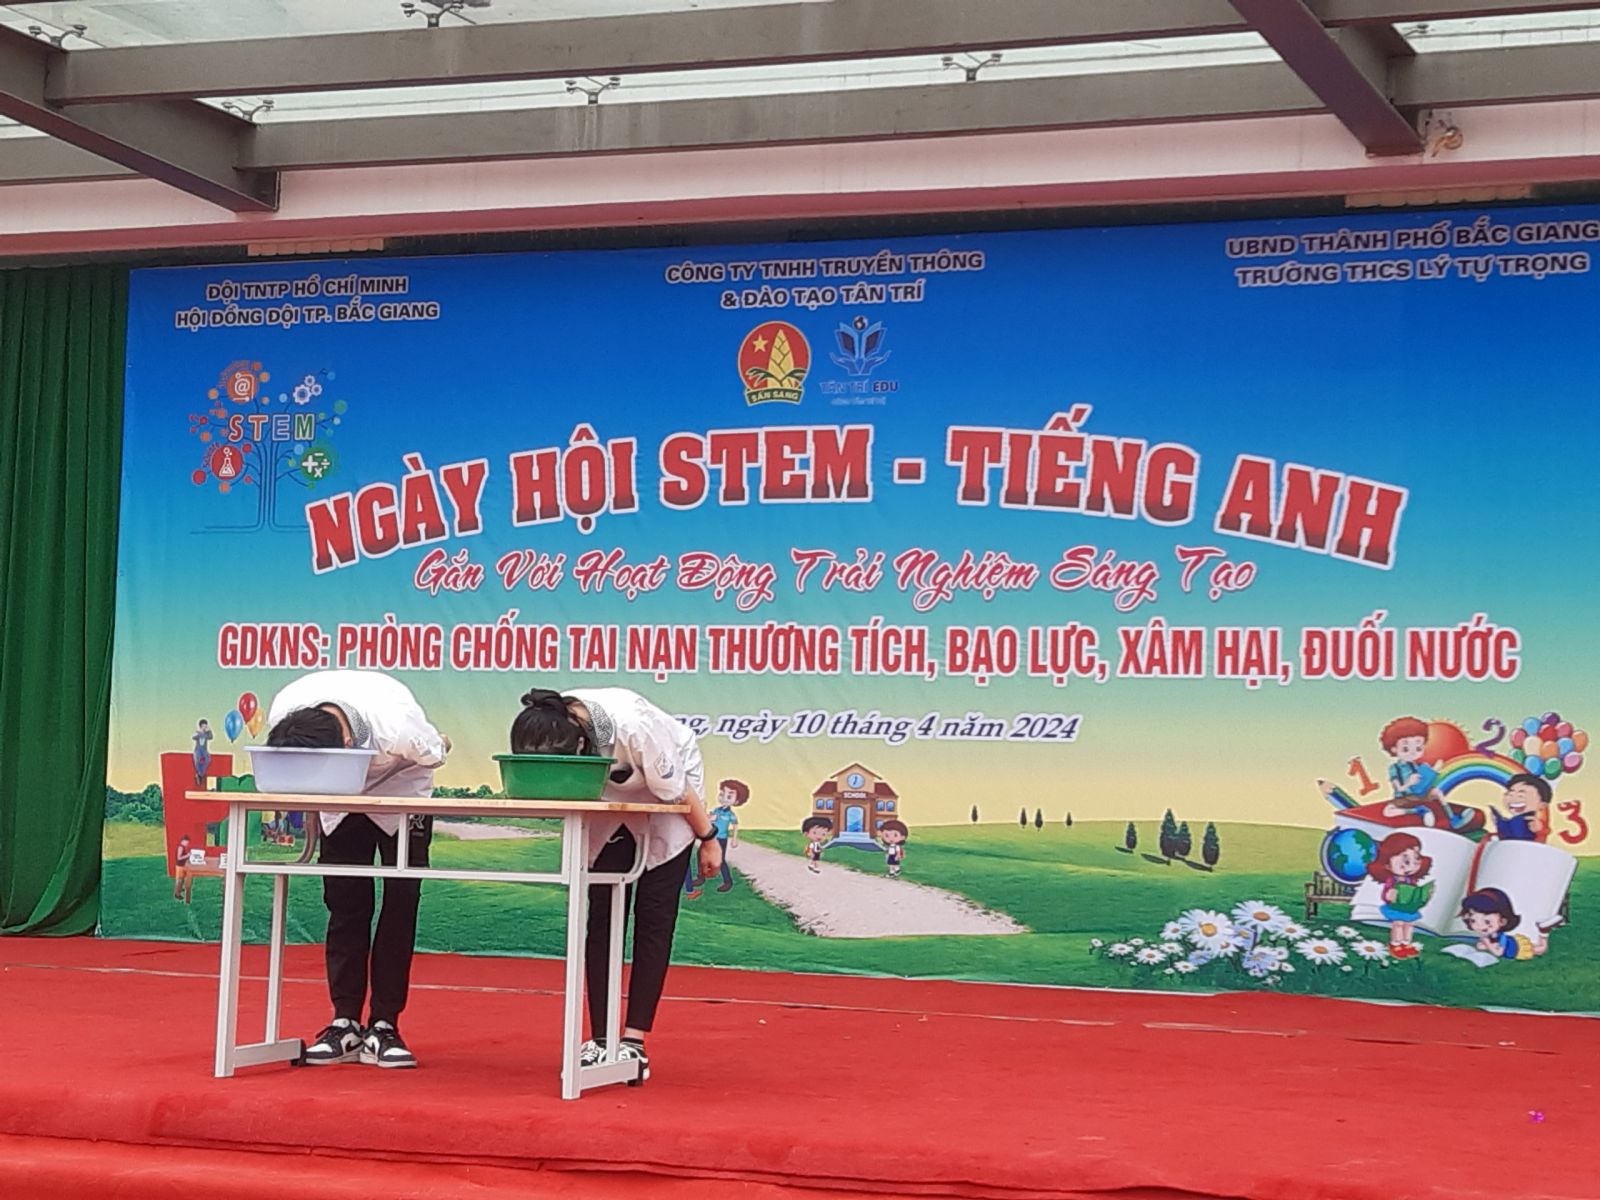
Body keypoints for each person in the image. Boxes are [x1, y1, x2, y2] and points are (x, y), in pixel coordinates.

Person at [509, 686, 723, 1082]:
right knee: (603, 917)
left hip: (672, 793)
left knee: (654, 917)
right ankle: (602, 1038)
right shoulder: (552, 717)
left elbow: (677, 792)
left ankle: (634, 1041)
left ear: (578, 740)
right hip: (607, 797)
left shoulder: (637, 728)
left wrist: (708, 839)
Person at [265, 670, 450, 1070]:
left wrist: (434, 746)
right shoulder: (285, 710)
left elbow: (438, 751)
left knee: (400, 902)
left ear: (347, 742)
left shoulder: (398, 725)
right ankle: (344, 1022)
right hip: (335, 795)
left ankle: (385, 1025)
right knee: (345, 902)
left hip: (401, 789)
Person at [1366, 831, 1433, 959]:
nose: (1412, 866)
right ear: (1387, 865)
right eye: (1406, 861)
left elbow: (1415, 892)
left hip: (1409, 907)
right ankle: (1396, 943)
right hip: (1396, 907)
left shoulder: (1411, 880)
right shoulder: (1392, 880)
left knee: (1409, 924)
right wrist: (1390, 895)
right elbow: (1386, 894)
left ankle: (1406, 943)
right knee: (1398, 924)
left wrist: (1425, 894)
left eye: (1416, 859)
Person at [1378, 716, 1454, 828]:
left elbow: (1423, 782)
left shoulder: (1414, 765)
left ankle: (1452, 817)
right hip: (1404, 798)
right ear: (1394, 749)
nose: (1413, 753)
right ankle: (1417, 811)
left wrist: (1433, 771)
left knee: (1437, 792)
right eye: (1405, 749)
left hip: (1419, 795)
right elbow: (1399, 789)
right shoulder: (1395, 768)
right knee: (1388, 812)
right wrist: (1409, 783)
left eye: (1418, 748)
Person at [685, 778, 746, 898]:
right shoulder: (717, 810)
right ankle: (701, 877)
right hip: (710, 837)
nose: (724, 798)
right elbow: (708, 819)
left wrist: (734, 839)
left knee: (720, 860)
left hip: (721, 839)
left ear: (736, 801)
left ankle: (727, 881)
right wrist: (708, 818)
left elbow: (735, 825)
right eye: (722, 794)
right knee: (700, 855)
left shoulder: (730, 815)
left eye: (729, 796)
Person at [1459, 887, 1547, 960]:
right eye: (1473, 921)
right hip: (1508, 945)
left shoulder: (1501, 937)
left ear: (1502, 921)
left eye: (1487, 922)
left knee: (1539, 949)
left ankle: (1544, 932)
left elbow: (1498, 953)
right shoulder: (1490, 935)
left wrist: (1487, 944)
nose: (1479, 926)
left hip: (1517, 948)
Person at [1491, 773, 1552, 842]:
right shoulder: (1512, 820)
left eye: (1521, 796)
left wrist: (1540, 831)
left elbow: (1541, 834)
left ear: (1542, 805)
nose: (1514, 799)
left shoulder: (1531, 820)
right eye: (1510, 794)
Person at [192, 719, 213, 788]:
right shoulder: (198, 733)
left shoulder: (207, 734)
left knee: (208, 760)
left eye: (206, 726)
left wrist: (209, 730)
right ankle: (200, 775)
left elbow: (211, 737)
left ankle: (200, 774)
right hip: (198, 749)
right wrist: (199, 733)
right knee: (197, 761)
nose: (205, 727)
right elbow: (193, 737)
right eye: (204, 726)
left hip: (204, 750)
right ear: (201, 726)